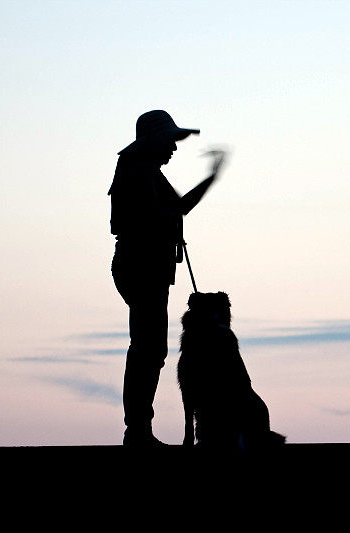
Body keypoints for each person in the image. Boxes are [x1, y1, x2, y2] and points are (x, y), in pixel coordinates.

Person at [108, 110, 225, 447]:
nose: (174, 148)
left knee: (150, 348)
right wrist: (212, 177)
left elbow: (177, 208)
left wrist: (211, 178)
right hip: (141, 266)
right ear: (153, 140)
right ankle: (138, 432)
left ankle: (139, 430)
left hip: (147, 266)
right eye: (170, 141)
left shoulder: (144, 170)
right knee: (147, 348)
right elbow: (167, 212)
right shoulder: (137, 169)